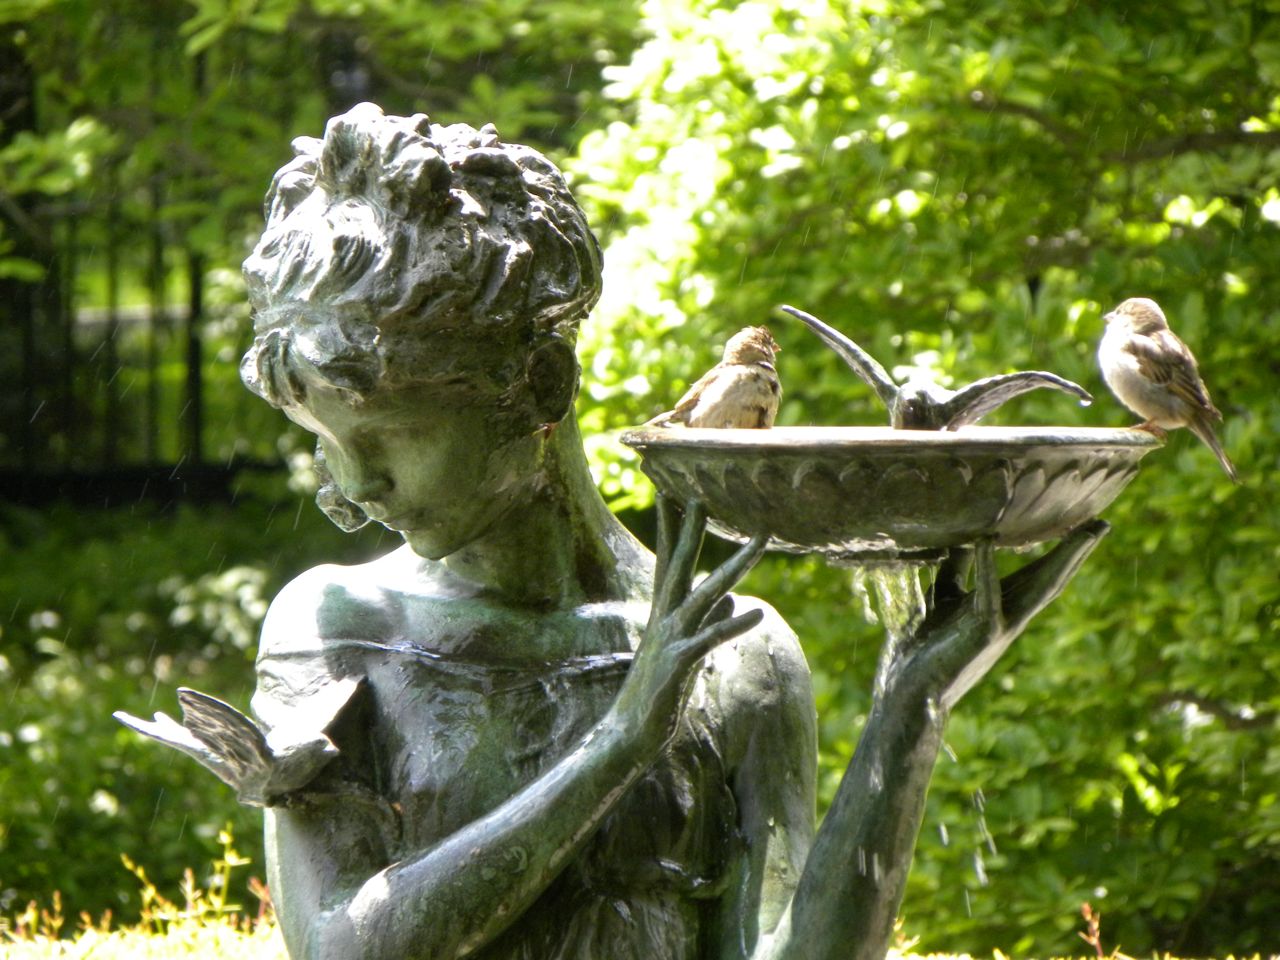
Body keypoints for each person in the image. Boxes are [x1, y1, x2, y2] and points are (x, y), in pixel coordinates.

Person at [237, 102, 817, 960]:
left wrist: (911, 705)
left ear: (542, 383)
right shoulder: (339, 625)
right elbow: (341, 948)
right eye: (323, 439)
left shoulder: (737, 650)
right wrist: (619, 744)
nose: (354, 485)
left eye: (392, 435)